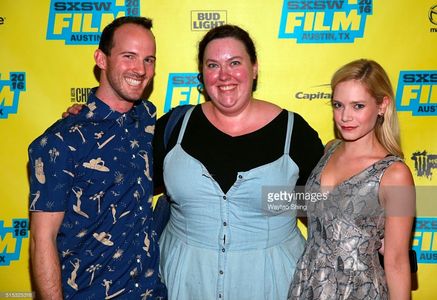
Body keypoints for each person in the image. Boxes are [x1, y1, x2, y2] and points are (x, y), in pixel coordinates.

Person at [153, 24, 324, 300]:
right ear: (202, 74)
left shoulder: (294, 134)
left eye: (235, 63)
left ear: (254, 68)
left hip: (273, 285)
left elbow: (325, 207)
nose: (224, 76)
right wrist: (84, 123)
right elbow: (123, 186)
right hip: (183, 283)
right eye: (212, 65)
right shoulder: (175, 127)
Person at [28, 16, 167, 299]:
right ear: (101, 59)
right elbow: (41, 240)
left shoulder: (148, 121)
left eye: (149, 59)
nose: (140, 69)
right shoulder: (60, 141)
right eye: (129, 56)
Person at [287, 59, 415, 300]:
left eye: (358, 106)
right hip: (307, 284)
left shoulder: (395, 174)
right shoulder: (329, 150)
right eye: (338, 105)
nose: (345, 116)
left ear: (382, 105)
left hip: (358, 289)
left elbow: (397, 261)